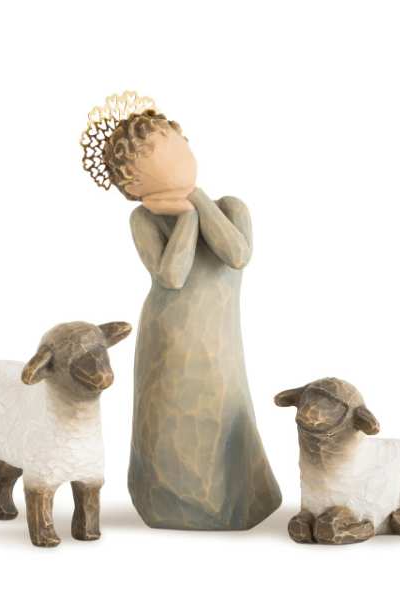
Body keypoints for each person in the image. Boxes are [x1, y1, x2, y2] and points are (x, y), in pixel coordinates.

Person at [82, 93, 281, 529]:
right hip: (167, 340)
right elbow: (172, 275)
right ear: (134, 187)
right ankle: (167, 501)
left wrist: (198, 202)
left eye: (177, 149)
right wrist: (186, 217)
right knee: (169, 422)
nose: (176, 165)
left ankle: (234, 503)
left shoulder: (230, 208)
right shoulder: (145, 220)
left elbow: (236, 254)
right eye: (158, 164)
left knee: (223, 409)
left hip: (217, 344)